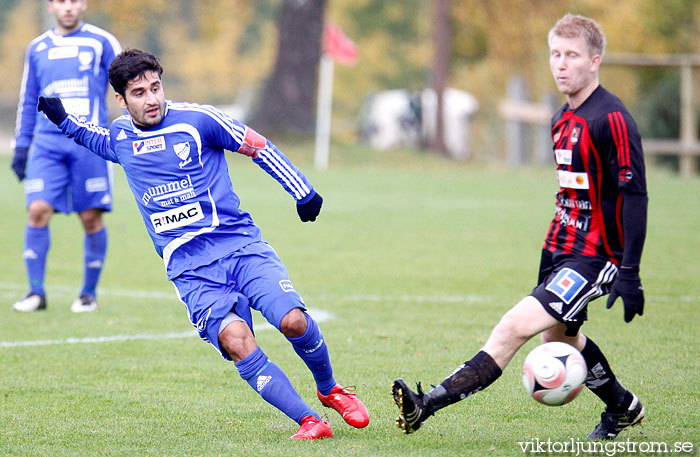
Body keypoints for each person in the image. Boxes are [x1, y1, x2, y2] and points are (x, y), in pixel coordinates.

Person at [37, 48, 369, 440]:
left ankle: (329, 388)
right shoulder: (121, 136)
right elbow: (89, 136)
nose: (152, 99)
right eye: (139, 93)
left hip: (240, 246)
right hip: (190, 268)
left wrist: (302, 191)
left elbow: (257, 145)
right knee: (235, 340)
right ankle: (309, 420)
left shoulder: (198, 120)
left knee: (292, 320)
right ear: (121, 101)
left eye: (156, 87)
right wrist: (60, 116)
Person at [391, 13, 647, 441]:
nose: (561, 63)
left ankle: (426, 404)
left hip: (595, 255)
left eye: (572, 55)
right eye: (555, 54)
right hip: (560, 249)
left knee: (511, 327)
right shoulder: (561, 119)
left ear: (594, 61)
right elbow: (571, 195)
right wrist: (550, 257)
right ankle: (622, 406)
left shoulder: (612, 118)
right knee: (559, 341)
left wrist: (630, 271)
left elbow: (634, 196)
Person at [11, 0, 121, 313]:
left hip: (88, 142)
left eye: (74, 0)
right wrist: (22, 145)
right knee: (37, 209)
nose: (68, 7)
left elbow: (124, 86)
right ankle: (35, 293)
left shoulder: (101, 42)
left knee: (90, 217)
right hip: (47, 144)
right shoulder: (38, 47)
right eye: (61, 1)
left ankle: (88, 294)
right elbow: (29, 97)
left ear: (83, 4)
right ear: (51, 6)